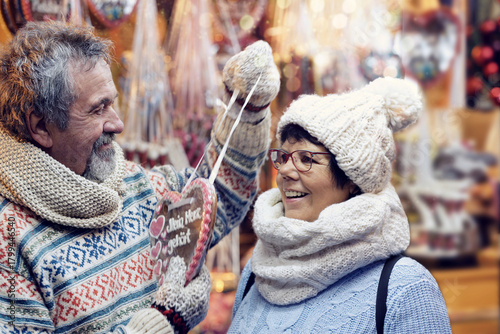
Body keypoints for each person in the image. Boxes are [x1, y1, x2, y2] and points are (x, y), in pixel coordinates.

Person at [0, 21, 280, 333]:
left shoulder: (137, 187)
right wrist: (162, 322)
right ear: (41, 127)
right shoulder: (10, 241)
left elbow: (220, 197)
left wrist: (248, 109)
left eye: (113, 103)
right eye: (98, 109)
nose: (117, 123)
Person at [229, 77, 453, 333]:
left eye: (306, 158)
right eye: (284, 156)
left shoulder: (405, 288)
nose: (286, 172)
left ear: (353, 179)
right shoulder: (258, 272)